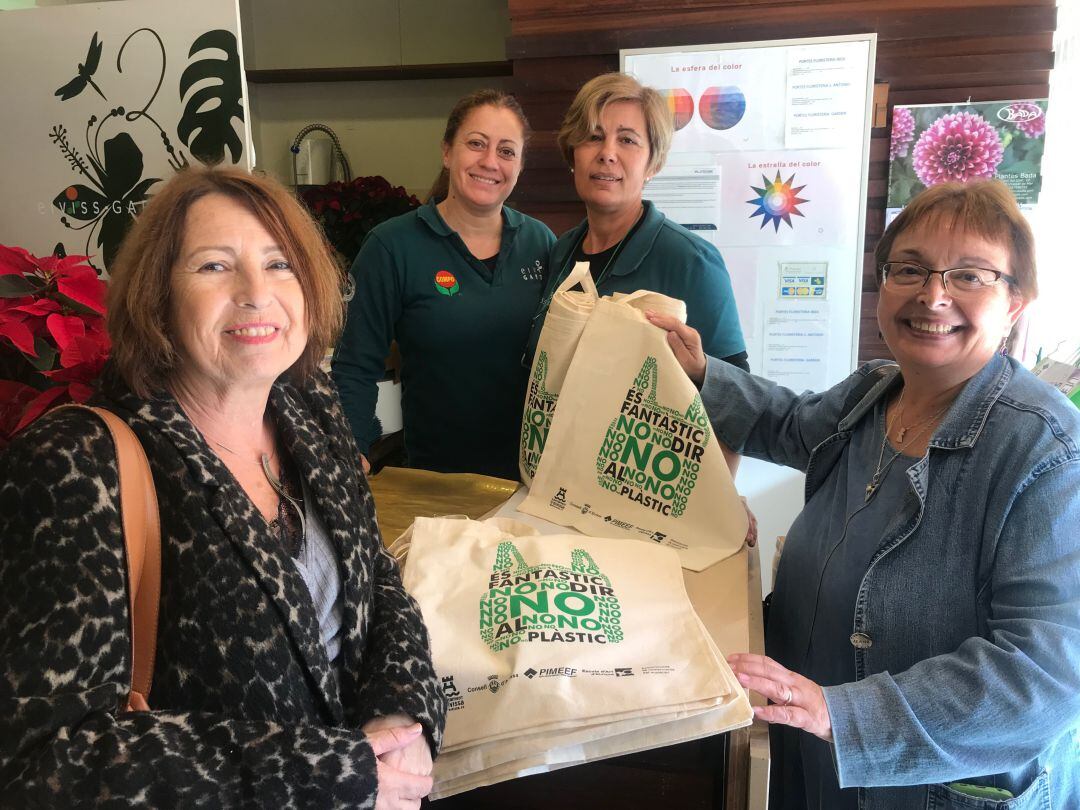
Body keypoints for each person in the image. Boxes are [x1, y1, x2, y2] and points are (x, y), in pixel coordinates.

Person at [0, 167, 446, 808]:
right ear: (158, 299)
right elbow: (47, 761)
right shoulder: (78, 461)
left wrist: (403, 717)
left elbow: (374, 577)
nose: (256, 294)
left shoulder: (308, 407)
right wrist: (330, 776)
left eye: (279, 265)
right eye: (213, 267)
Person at [649, 179, 1080, 809]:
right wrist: (701, 373)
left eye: (970, 275)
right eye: (910, 269)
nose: (933, 295)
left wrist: (843, 715)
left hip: (926, 788)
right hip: (814, 753)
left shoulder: (1045, 450)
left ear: (1016, 300)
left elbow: (1043, 677)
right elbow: (790, 423)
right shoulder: (876, 391)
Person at [332, 89, 555, 480]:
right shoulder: (392, 247)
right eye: (476, 144)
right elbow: (355, 363)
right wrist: (351, 451)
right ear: (447, 151)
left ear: (520, 165)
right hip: (436, 481)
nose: (490, 161)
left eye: (506, 151)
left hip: (534, 481)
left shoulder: (542, 244)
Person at [524, 72, 747, 372]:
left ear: (652, 163)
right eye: (594, 136)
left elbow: (737, 395)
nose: (607, 153)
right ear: (572, 154)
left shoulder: (692, 261)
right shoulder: (561, 251)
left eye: (627, 140)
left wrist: (701, 372)